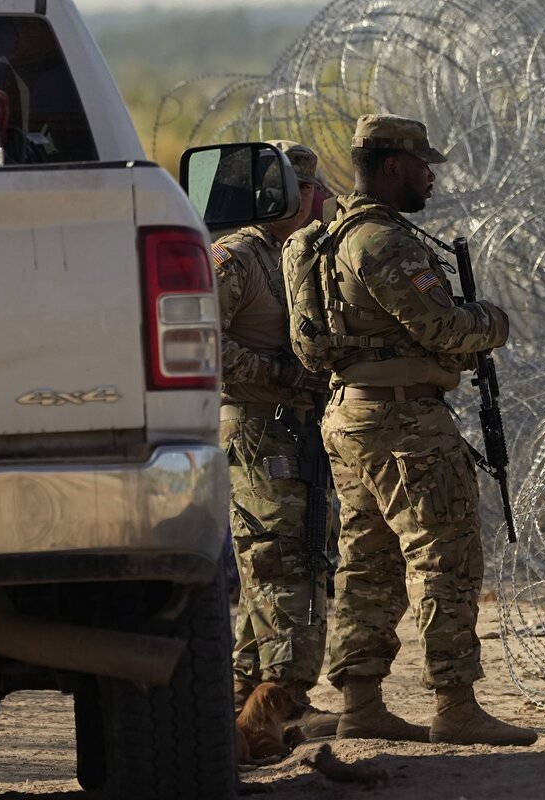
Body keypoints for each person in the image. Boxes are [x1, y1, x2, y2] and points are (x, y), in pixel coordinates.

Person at [305, 113, 536, 746]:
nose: (430, 177)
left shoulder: (331, 237)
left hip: (353, 415)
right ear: (392, 167)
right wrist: (492, 321)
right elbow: (443, 328)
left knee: (367, 562)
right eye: (422, 165)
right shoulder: (383, 242)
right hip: (403, 422)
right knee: (445, 558)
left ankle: (361, 703)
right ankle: (456, 705)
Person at [214, 139, 336, 738]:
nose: (320, 202)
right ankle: (283, 701)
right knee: (280, 563)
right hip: (257, 427)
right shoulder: (237, 259)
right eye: (310, 190)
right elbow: (195, 341)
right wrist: (281, 373)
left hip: (293, 427)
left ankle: (246, 697)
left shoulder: (295, 257)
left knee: (288, 560)